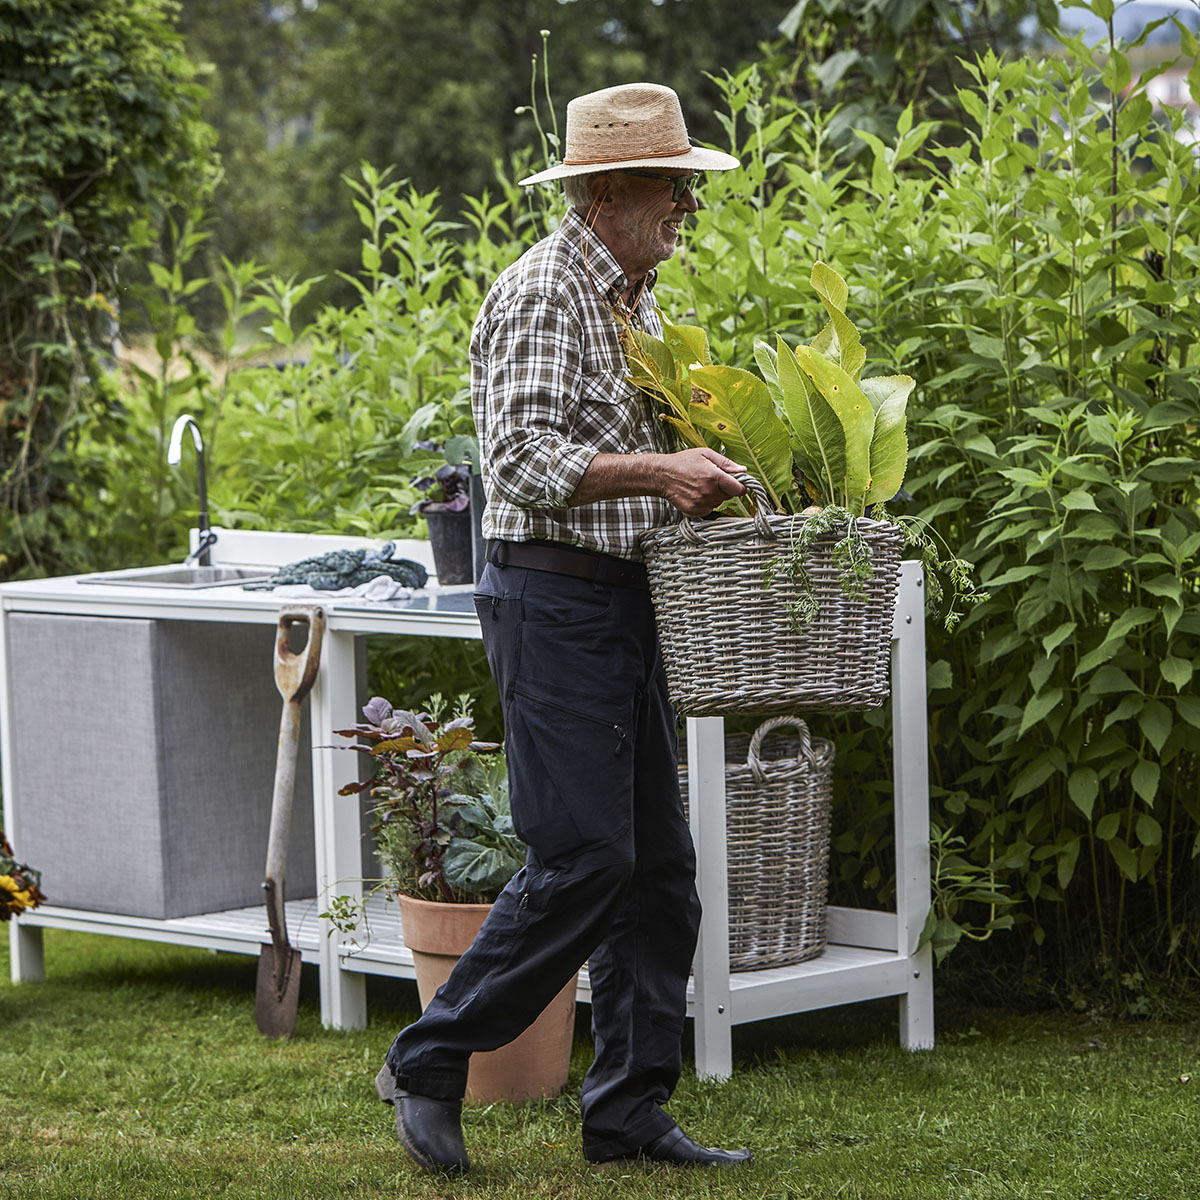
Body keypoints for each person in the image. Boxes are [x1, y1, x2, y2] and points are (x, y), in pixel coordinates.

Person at [373, 81, 752, 1174]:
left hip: (621, 597)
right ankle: (430, 1058)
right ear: (609, 191)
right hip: (553, 600)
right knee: (585, 856)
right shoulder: (547, 290)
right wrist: (661, 471)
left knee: (658, 872)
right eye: (673, 186)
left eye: (687, 187)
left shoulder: (636, 304)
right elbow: (521, 462)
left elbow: (625, 460)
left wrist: (715, 475)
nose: (687, 206)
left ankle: (627, 1112)